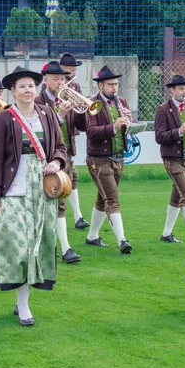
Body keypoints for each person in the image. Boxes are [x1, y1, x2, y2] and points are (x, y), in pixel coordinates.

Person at [0, 65, 68, 327]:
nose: (27, 90)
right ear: (13, 91)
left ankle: (23, 302)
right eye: (22, 86)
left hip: (42, 192)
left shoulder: (47, 113)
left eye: (31, 85)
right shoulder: (2, 119)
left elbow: (61, 147)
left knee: (37, 247)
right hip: (14, 191)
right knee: (19, 248)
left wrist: (56, 161)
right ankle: (22, 304)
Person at [35, 60, 86, 263]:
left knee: (60, 204)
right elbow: (41, 132)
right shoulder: (38, 102)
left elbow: (82, 126)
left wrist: (81, 107)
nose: (60, 83)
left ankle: (62, 248)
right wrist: (59, 116)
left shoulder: (67, 98)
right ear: (46, 80)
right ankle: (60, 247)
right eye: (56, 79)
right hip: (45, 162)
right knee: (47, 206)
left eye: (63, 79)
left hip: (66, 158)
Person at [84, 65, 133, 254]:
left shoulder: (122, 101)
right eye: (111, 84)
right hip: (99, 159)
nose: (114, 88)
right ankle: (122, 240)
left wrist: (130, 121)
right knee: (112, 198)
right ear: (101, 85)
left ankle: (92, 236)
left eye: (116, 84)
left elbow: (128, 127)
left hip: (118, 157)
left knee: (102, 198)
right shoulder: (93, 104)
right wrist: (113, 126)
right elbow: (90, 131)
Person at [154, 74, 185, 243]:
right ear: (172, 90)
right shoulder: (163, 109)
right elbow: (159, 137)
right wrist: (179, 131)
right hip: (172, 158)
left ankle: (166, 233)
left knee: (176, 196)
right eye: (181, 89)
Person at [57, 53, 90, 229]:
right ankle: (73, 217)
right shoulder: (51, 87)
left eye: (75, 70)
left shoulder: (75, 86)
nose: (74, 73)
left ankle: (78, 217)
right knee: (63, 181)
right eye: (71, 70)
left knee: (73, 177)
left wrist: (82, 106)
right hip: (57, 141)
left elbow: (81, 112)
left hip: (70, 138)